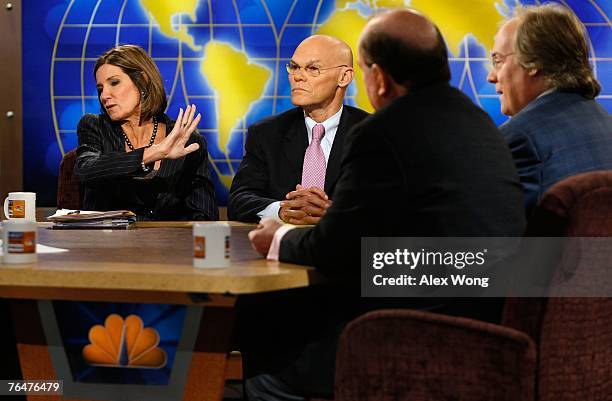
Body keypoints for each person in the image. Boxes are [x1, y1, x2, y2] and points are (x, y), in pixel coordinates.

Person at [245, 9, 525, 400]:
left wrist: (279, 238)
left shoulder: (384, 131)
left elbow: (335, 249)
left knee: (265, 374)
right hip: (489, 319)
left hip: (414, 329)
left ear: (377, 77)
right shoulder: (479, 122)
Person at [228, 35, 369, 224]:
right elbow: (239, 200)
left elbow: (395, 205)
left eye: (312, 69)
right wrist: (282, 210)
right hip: (281, 248)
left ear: (344, 77)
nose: (297, 76)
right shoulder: (267, 133)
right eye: (294, 67)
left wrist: (336, 214)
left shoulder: (374, 134)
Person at [487, 4, 612, 216]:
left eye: (498, 61)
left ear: (533, 62)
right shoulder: (606, 124)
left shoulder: (519, 139)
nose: (491, 76)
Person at [74, 45, 218, 221]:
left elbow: (204, 214)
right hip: (109, 243)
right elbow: (86, 170)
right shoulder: (95, 126)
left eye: (114, 83)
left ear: (142, 81)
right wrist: (152, 154)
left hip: (170, 244)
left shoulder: (186, 140)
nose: (105, 95)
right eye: (100, 88)